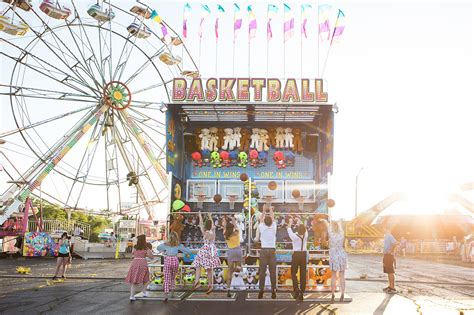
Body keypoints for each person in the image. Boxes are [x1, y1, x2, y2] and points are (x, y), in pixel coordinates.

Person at [156, 231, 191, 301]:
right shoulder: (178, 245)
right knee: (173, 277)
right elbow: (188, 252)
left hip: (168, 260)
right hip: (175, 260)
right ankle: (172, 293)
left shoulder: (166, 244)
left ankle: (166, 295)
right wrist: (184, 248)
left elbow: (158, 248)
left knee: (166, 278)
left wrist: (164, 244)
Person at [192, 211, 221, 294]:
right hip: (211, 250)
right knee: (209, 269)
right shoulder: (213, 232)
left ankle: (197, 282)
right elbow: (212, 225)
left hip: (205, 250)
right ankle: (210, 285)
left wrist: (200, 215)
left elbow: (201, 223)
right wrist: (209, 216)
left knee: (198, 265)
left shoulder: (204, 232)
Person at [125, 234, 154, 301]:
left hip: (135, 263)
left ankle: (132, 296)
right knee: (146, 279)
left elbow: (132, 253)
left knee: (134, 281)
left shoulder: (135, 247)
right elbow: (151, 257)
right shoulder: (146, 248)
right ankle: (144, 292)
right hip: (142, 263)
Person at [258, 204, 277, 299]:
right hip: (272, 251)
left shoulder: (262, 227)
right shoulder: (273, 227)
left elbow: (261, 218)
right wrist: (270, 209)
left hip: (264, 250)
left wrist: (264, 210)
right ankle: (273, 291)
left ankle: (261, 291)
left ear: (264, 222)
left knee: (262, 271)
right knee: (272, 272)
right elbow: (272, 218)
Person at [287, 217, 308, 301]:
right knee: (303, 273)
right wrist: (299, 221)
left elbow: (288, 229)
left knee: (293, 272)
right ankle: (302, 292)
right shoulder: (306, 234)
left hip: (296, 254)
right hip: (303, 254)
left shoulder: (294, 236)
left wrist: (290, 221)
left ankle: (296, 289)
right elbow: (304, 228)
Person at [223, 215, 243, 297]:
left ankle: (228, 289)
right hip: (238, 250)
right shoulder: (236, 232)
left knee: (229, 271)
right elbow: (235, 225)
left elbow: (225, 228)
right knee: (238, 268)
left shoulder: (225, 235)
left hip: (231, 251)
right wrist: (232, 219)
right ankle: (238, 282)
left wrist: (226, 221)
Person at [328, 220, 347, 302]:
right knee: (342, 275)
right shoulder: (342, 232)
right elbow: (340, 226)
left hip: (333, 254)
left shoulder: (330, 232)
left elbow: (328, 226)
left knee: (333, 275)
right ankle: (342, 294)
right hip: (342, 254)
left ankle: (332, 294)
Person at [383, 226, 398, 294]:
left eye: (384, 228)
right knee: (388, 271)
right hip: (386, 255)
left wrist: (391, 251)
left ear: (388, 229)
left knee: (390, 271)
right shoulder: (386, 236)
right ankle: (390, 286)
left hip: (389, 255)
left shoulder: (389, 236)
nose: (383, 229)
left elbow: (395, 243)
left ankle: (392, 288)